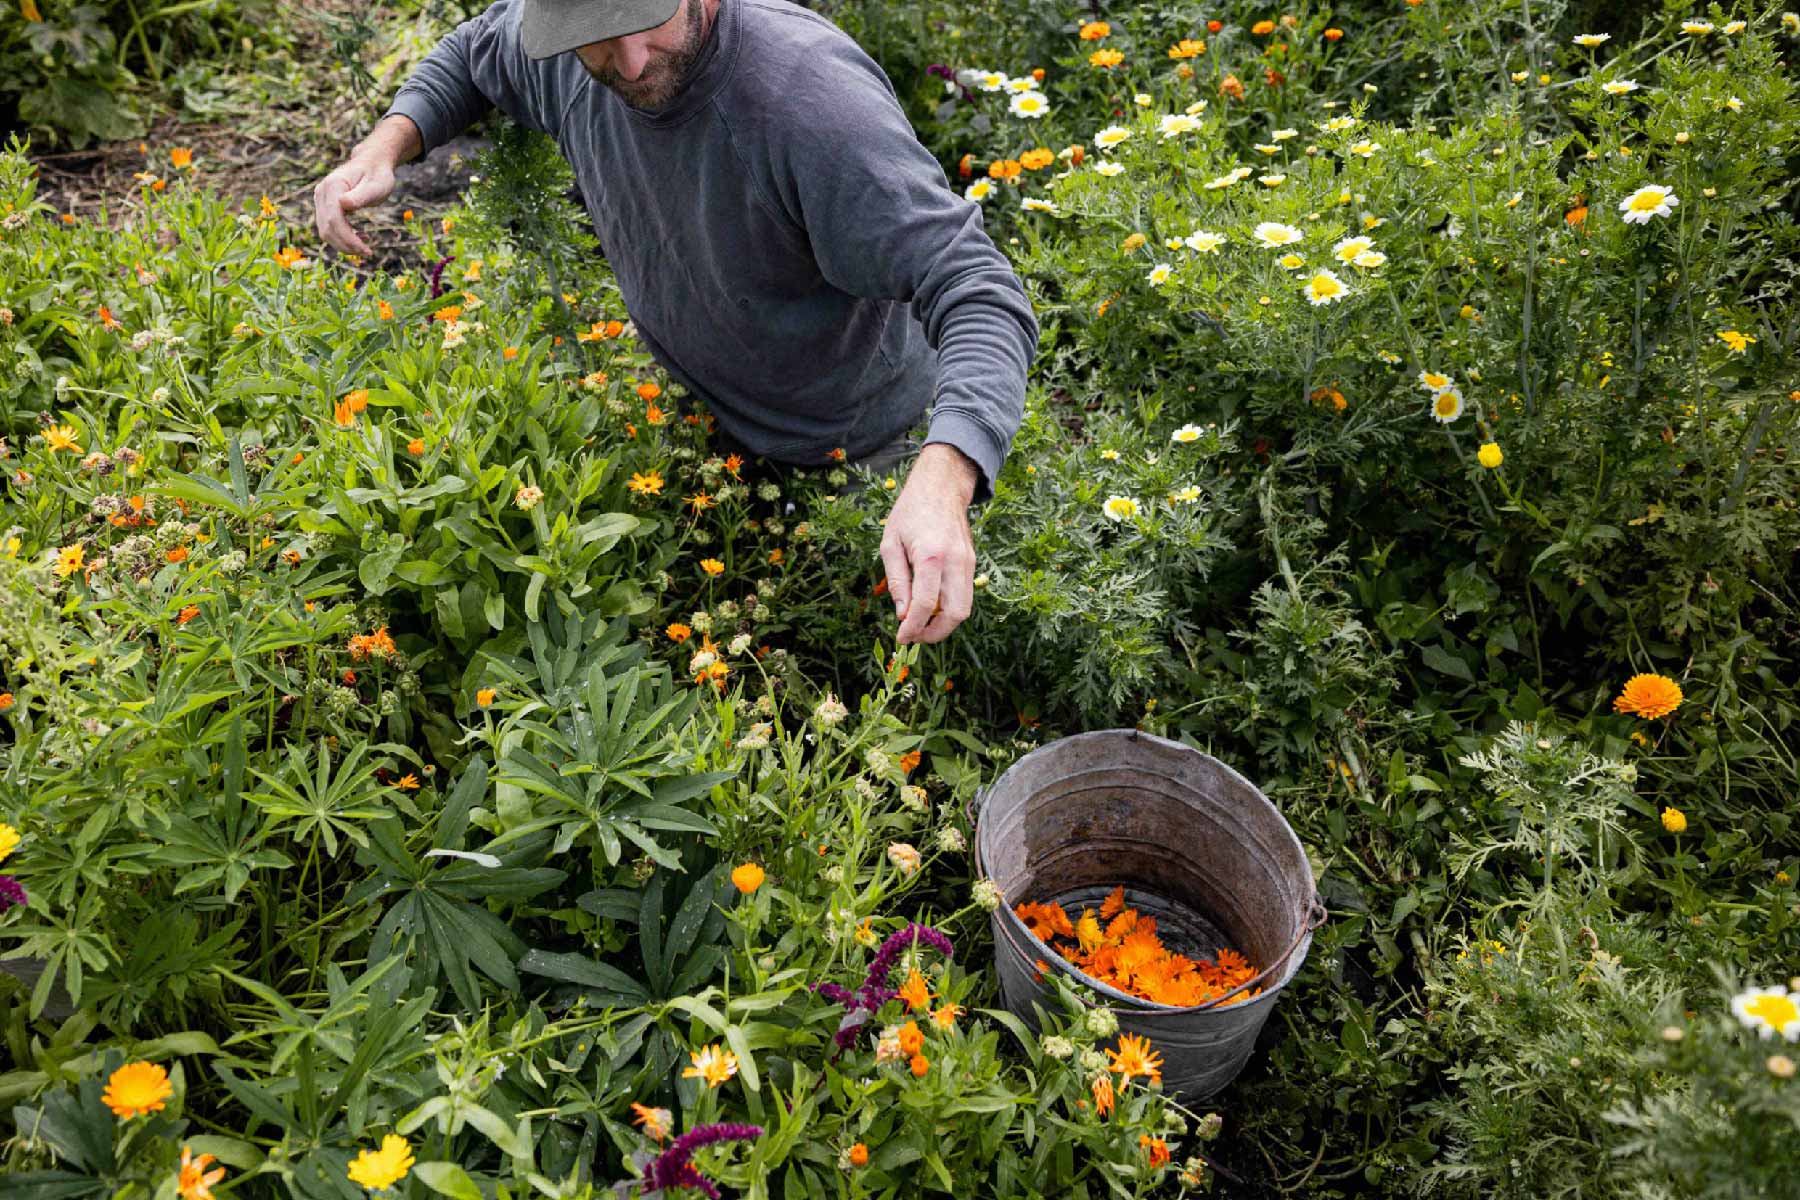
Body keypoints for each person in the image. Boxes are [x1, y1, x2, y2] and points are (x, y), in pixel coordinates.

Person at [313, 0, 1038, 644]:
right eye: (593, 36)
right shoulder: (572, 59)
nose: (628, 61)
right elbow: (475, 52)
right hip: (712, 430)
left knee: (896, 647)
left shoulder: (808, 102)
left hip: (869, 444)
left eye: (643, 19)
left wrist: (944, 479)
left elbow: (977, 286)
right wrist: (386, 146)